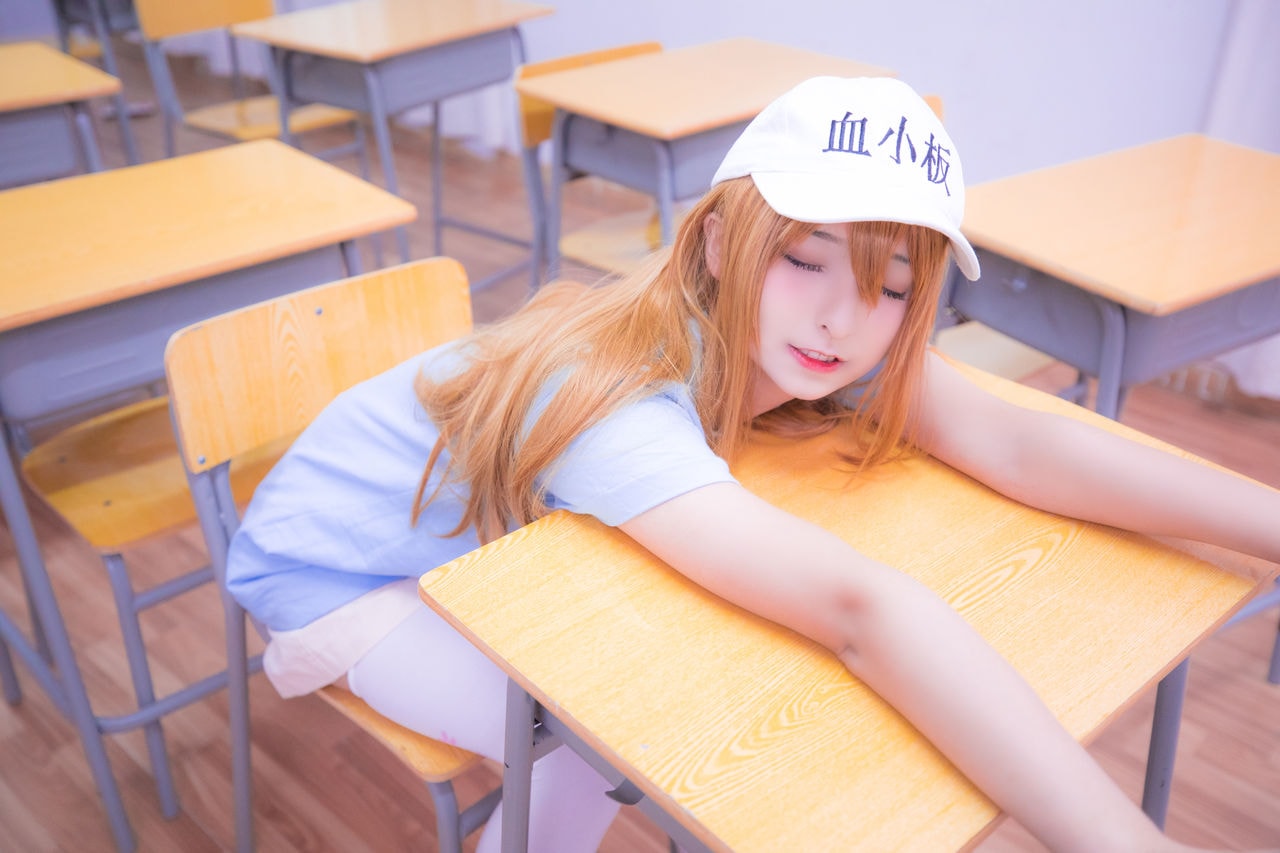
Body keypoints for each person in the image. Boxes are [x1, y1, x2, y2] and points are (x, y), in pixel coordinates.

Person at [227, 76, 1280, 853]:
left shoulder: (804, 336)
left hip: (475, 532)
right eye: (803, 258)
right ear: (722, 244)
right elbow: (858, 608)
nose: (838, 318)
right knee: (607, 732)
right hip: (339, 572)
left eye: (888, 286)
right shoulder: (620, 398)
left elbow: (1017, 440)